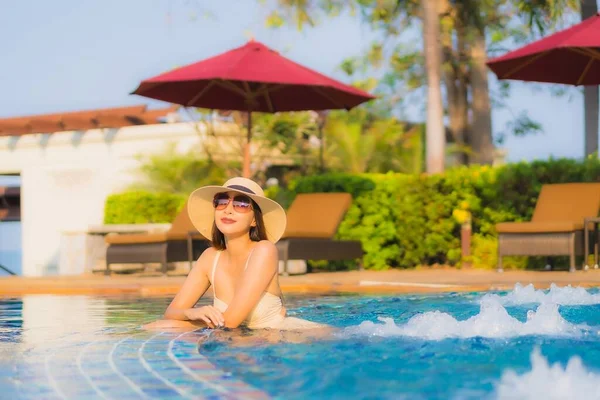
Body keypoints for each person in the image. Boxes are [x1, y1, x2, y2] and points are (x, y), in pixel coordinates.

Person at [144, 177, 326, 332]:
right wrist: (192, 312)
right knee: (156, 326)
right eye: (222, 201)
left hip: (286, 340)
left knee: (162, 326)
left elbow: (230, 322)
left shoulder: (264, 250)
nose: (228, 209)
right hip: (240, 338)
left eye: (241, 203)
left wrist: (181, 322)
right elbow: (172, 311)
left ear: (255, 219)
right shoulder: (210, 257)